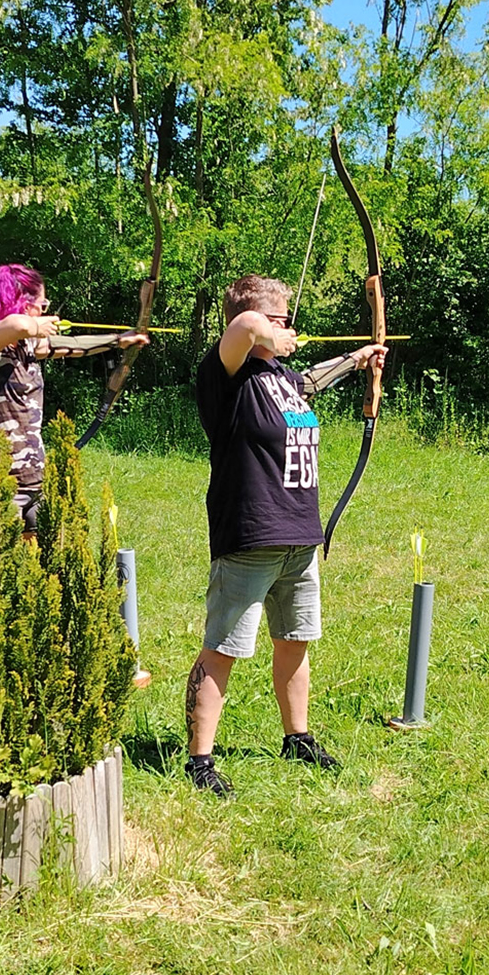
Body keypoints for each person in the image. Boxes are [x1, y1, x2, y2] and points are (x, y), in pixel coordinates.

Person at [183, 274, 386, 797]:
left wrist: (359, 359)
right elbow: (245, 326)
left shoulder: (281, 377)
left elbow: (311, 379)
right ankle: (199, 760)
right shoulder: (226, 373)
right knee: (223, 647)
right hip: (251, 533)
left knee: (295, 640)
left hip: (299, 533)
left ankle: (298, 738)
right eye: (281, 319)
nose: (288, 328)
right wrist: (265, 328)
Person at [0, 263, 147, 530]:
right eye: (42, 305)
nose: (45, 311)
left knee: (46, 550)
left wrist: (119, 340)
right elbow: (18, 325)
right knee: (0, 553)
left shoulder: (26, 345)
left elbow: (72, 345)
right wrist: (36, 324)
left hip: (35, 478)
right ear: (23, 304)